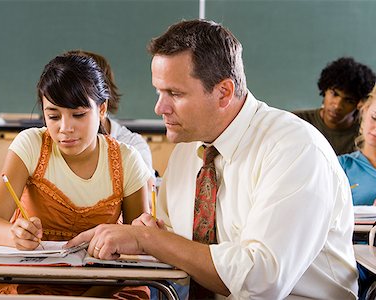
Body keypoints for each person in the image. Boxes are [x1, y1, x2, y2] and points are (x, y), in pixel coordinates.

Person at [67, 19, 359, 299]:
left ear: (224, 93)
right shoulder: (188, 150)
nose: (159, 107)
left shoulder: (295, 149)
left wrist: (151, 241)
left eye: (174, 93)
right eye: (159, 91)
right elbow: (174, 242)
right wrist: (143, 235)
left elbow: (261, 282)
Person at [0, 54, 151, 298]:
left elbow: (139, 246)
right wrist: (13, 235)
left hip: (107, 284)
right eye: (53, 116)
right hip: (34, 282)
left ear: (101, 109)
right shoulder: (31, 145)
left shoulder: (127, 159)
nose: (65, 128)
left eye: (78, 115)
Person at [63, 49, 155, 178]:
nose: (66, 127)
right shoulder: (49, 143)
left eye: (78, 113)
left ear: (102, 106)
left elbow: (147, 195)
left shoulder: (132, 147)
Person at [294, 57, 376, 155]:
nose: (337, 105)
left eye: (349, 101)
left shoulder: (367, 134)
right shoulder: (298, 121)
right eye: (334, 94)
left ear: (359, 104)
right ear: (324, 90)